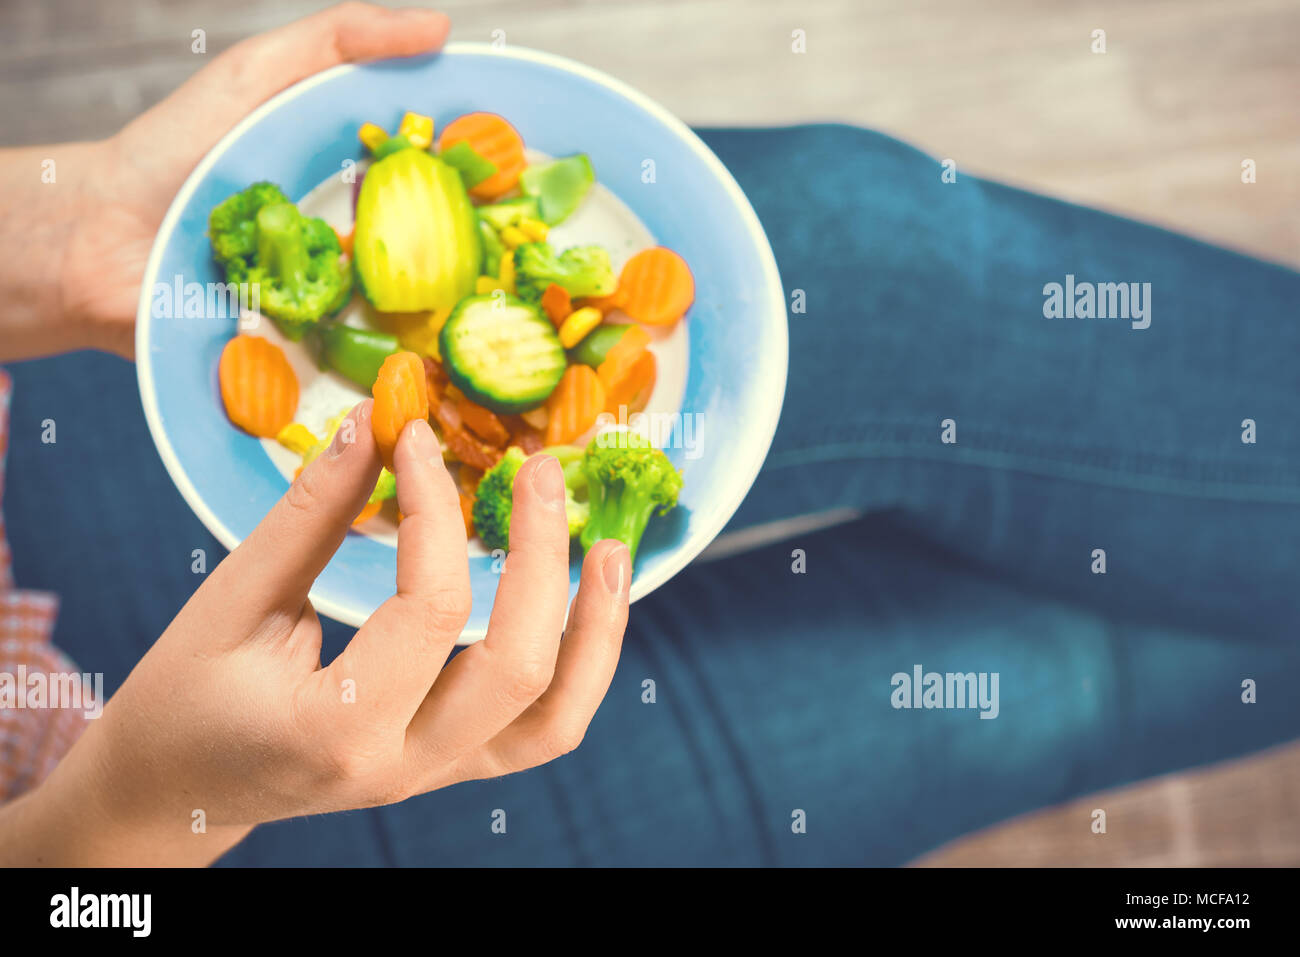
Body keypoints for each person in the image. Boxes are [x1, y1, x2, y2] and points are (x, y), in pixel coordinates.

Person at [4, 3, 1300, 867]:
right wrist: (128, 811)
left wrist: (54, 249)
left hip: (41, 421)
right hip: (118, 825)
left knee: (884, 232)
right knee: (1037, 679)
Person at [0, 3, 632, 867]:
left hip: (27, 405)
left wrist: (67, 236)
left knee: (876, 200)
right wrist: (135, 803)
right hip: (100, 794)